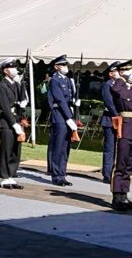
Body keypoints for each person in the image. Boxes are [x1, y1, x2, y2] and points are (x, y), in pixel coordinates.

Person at [110, 59, 132, 211]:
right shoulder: (119, 86)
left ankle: (124, 196)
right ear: (123, 71)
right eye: (130, 70)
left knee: (130, 166)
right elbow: (114, 89)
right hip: (125, 129)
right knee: (121, 164)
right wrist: (121, 77)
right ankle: (117, 197)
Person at [47, 54, 79, 186]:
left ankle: (62, 173)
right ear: (56, 67)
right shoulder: (55, 80)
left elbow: (69, 99)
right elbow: (59, 100)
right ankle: (56, 175)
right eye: (63, 65)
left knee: (65, 146)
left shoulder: (66, 80)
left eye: (66, 65)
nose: (65, 67)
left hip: (67, 113)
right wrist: (68, 117)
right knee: (58, 146)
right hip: (60, 115)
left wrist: (76, 102)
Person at [0, 58, 26, 189]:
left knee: (15, 150)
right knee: (6, 150)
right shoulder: (1, 86)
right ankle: (4, 176)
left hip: (17, 120)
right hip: (7, 122)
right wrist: (14, 124)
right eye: (11, 68)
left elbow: (21, 101)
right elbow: (5, 107)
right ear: (5, 70)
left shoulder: (17, 85)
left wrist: (23, 103)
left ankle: (11, 174)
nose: (15, 70)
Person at [100, 61, 121, 184]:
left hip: (120, 118)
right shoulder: (108, 85)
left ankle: (116, 172)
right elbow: (109, 102)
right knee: (109, 147)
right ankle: (107, 173)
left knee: (119, 148)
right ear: (110, 73)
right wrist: (117, 114)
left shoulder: (120, 84)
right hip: (110, 119)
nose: (118, 73)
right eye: (115, 71)